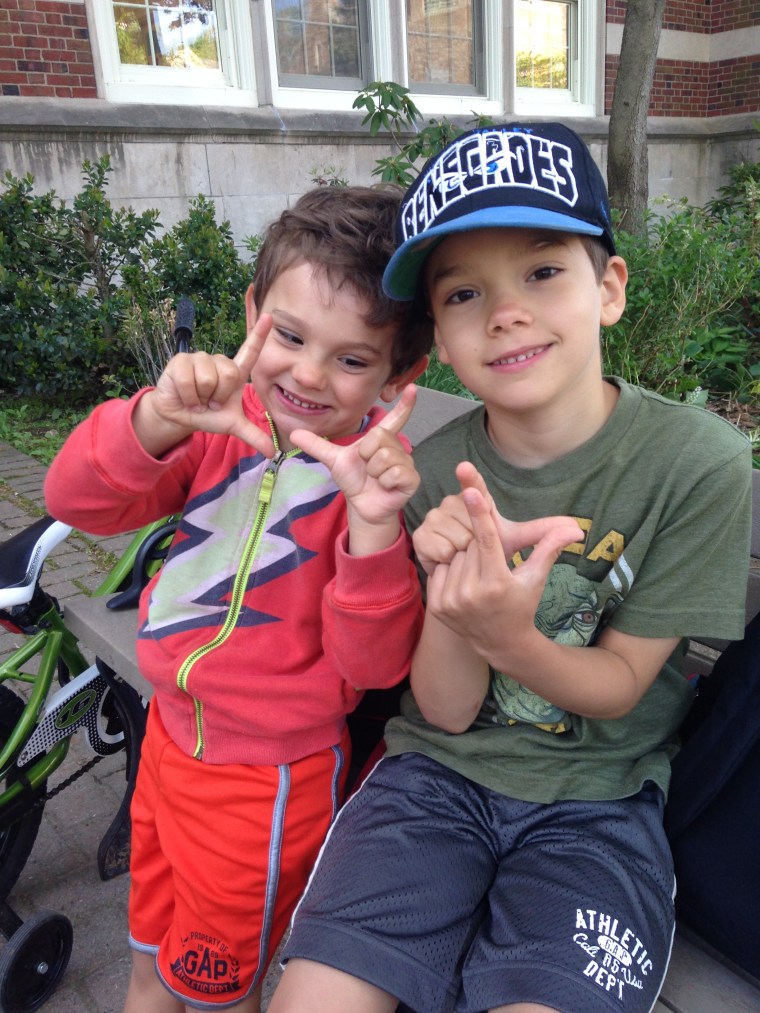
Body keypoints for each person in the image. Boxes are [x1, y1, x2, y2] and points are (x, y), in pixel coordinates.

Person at [267, 122, 752, 1013]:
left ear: (607, 288)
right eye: (463, 293)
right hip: (431, 782)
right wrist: (460, 614)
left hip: (599, 803)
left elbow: (618, 687)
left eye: (541, 271)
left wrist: (508, 634)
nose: (505, 312)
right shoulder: (438, 471)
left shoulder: (699, 464)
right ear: (441, 340)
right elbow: (445, 714)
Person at [44, 185, 433, 1013]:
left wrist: (372, 532)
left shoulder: (365, 487)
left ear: (402, 375)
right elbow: (76, 499)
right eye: (289, 335)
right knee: (148, 960)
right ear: (255, 310)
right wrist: (156, 417)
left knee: (219, 993)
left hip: (266, 785)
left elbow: (372, 665)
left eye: (352, 358)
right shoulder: (219, 425)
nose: (308, 373)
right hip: (167, 744)